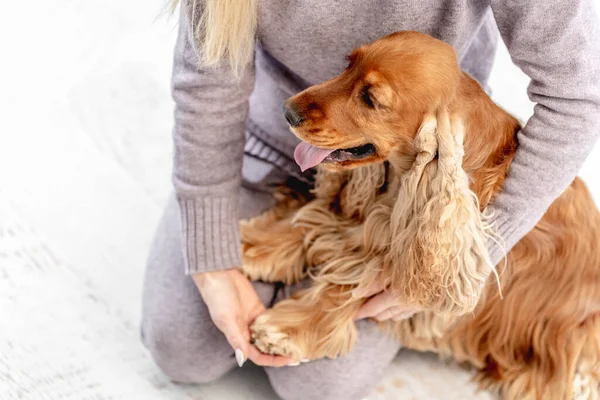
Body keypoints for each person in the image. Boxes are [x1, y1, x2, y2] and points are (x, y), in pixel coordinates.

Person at [141, 1, 600, 399]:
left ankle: (326, 241)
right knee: (182, 346)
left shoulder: (437, 159)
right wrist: (211, 261)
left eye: (371, 97)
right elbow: (206, 82)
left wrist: (465, 257)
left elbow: (577, 95)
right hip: (261, 145)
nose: (307, 105)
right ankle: (306, 229)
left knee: (318, 386)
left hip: (429, 179)